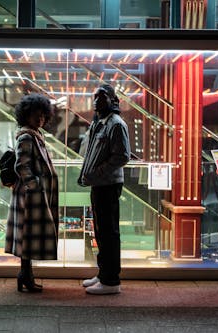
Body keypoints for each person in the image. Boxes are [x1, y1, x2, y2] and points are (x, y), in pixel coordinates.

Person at [78, 84, 131, 295]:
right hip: (98, 184)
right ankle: (103, 274)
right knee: (100, 232)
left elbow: (122, 156)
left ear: (112, 100)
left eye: (101, 97)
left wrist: (99, 171)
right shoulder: (99, 124)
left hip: (108, 185)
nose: (96, 100)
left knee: (108, 233)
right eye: (95, 96)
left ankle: (111, 281)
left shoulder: (116, 124)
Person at [5, 93, 59, 293]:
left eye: (43, 116)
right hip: (31, 196)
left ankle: (26, 275)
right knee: (28, 236)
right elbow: (22, 166)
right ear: (26, 115)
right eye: (36, 115)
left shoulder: (35, 135)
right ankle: (25, 275)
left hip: (33, 196)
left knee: (29, 236)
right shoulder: (28, 136)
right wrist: (35, 186)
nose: (40, 119)